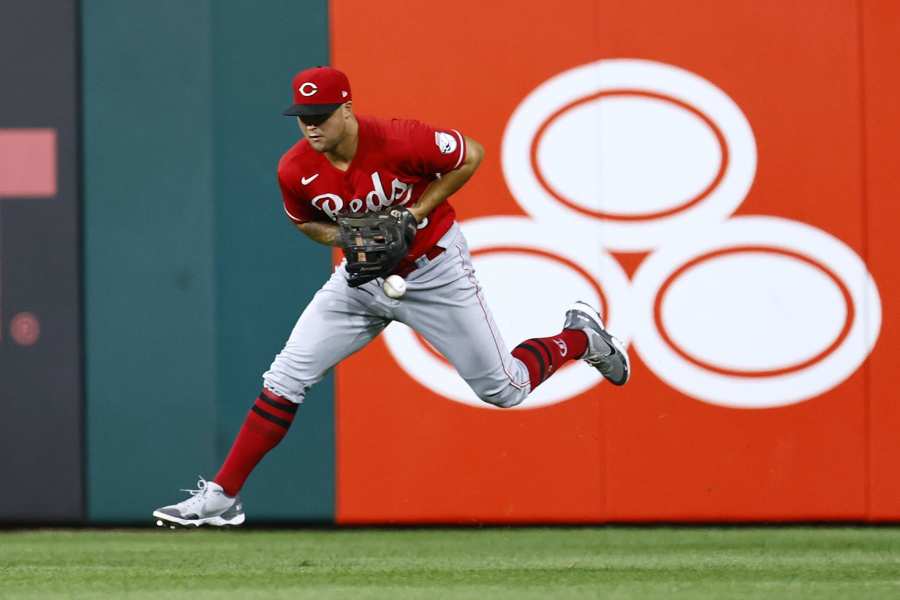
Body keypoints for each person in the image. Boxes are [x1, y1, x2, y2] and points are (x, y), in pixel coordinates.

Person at [152, 66, 630, 528]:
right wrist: (345, 237)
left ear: (347, 109)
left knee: (505, 389)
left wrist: (416, 212)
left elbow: (473, 154)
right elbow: (306, 224)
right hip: (359, 280)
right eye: (304, 116)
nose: (312, 125)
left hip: (434, 271)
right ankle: (221, 496)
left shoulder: (400, 140)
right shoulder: (295, 168)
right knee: (284, 377)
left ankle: (580, 338)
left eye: (321, 114)